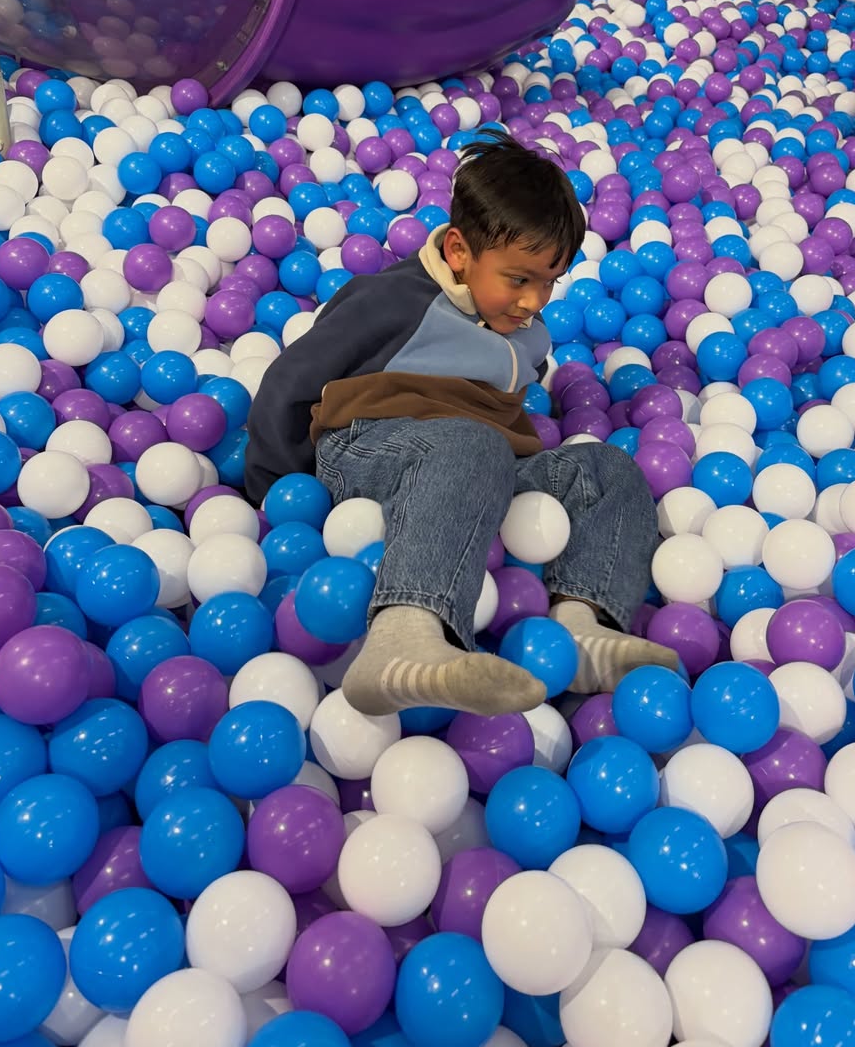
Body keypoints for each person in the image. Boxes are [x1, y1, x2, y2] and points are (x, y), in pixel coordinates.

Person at [245, 128, 675, 718]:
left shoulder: (524, 333)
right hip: (369, 445)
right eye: (519, 280)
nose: (533, 301)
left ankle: (580, 626)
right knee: (469, 445)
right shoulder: (393, 300)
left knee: (604, 466)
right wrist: (275, 494)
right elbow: (290, 381)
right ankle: (404, 637)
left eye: (550, 282)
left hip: (478, 467)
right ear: (457, 253)